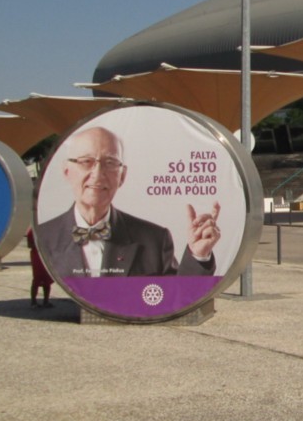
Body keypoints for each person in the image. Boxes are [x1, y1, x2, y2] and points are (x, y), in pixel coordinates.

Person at [35, 125, 222, 278]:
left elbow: (177, 295)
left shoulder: (155, 240)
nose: (98, 174)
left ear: (122, 176)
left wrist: (198, 255)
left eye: (110, 162)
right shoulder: (43, 237)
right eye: (86, 161)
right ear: (67, 171)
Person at [25, 227, 54, 307]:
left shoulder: (48, 229)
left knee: (47, 278)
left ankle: (45, 301)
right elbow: (29, 245)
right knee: (37, 278)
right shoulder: (33, 230)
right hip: (37, 256)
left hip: (46, 256)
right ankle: (34, 302)